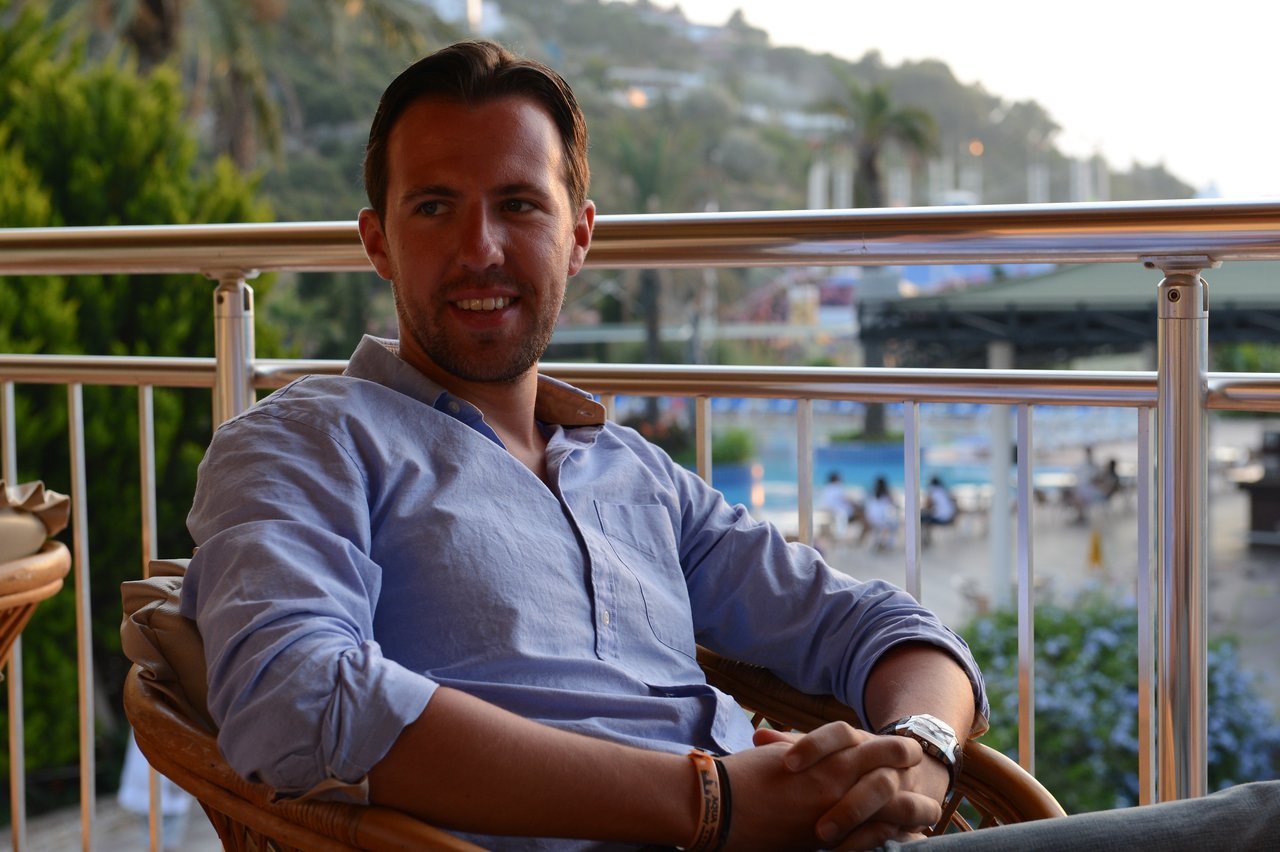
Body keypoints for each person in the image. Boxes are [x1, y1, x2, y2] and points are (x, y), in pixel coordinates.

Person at [177, 39, 1280, 852]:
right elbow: (295, 699)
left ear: (580, 234)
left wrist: (916, 753)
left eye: (519, 204)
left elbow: (882, 628)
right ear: (375, 238)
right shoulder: (304, 443)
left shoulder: (631, 474)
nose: (480, 247)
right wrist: (712, 800)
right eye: (433, 207)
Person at [861, 476, 900, 552]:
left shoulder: (871, 494)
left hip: (871, 520)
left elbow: (865, 506)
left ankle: (878, 543)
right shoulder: (887, 495)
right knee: (894, 526)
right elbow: (895, 506)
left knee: (878, 529)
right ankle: (889, 545)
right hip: (882, 521)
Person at [819, 471, 859, 540]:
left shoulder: (827, 488)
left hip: (827, 509)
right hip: (835, 511)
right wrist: (854, 504)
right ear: (837, 480)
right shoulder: (837, 488)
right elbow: (845, 499)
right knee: (843, 515)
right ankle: (841, 536)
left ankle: (840, 534)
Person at [920, 477, 957, 547]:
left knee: (922, 519)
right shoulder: (945, 491)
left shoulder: (933, 491)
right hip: (951, 518)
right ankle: (926, 540)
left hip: (942, 519)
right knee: (926, 518)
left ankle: (924, 541)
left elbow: (927, 505)